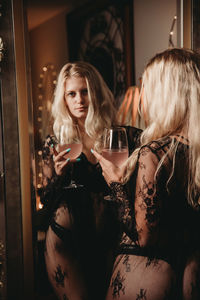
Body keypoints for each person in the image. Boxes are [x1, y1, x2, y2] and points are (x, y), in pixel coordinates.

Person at [92, 48, 200, 299]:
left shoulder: (155, 152)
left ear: (167, 95)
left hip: (147, 277)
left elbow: (144, 237)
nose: (145, 98)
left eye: (149, 89)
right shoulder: (191, 151)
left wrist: (116, 184)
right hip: (188, 275)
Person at [37, 61, 142, 300]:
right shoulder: (55, 142)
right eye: (71, 94)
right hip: (66, 241)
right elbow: (46, 202)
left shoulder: (119, 136)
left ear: (95, 93)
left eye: (84, 91)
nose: (79, 100)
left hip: (107, 239)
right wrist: (60, 176)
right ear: (63, 99)